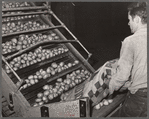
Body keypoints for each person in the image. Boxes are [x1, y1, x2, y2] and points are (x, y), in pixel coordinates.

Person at [108, 2, 147, 117]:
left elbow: (122, 75)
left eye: (129, 19)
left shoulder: (130, 41)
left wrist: (110, 88)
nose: (128, 23)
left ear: (137, 19)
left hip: (141, 96)